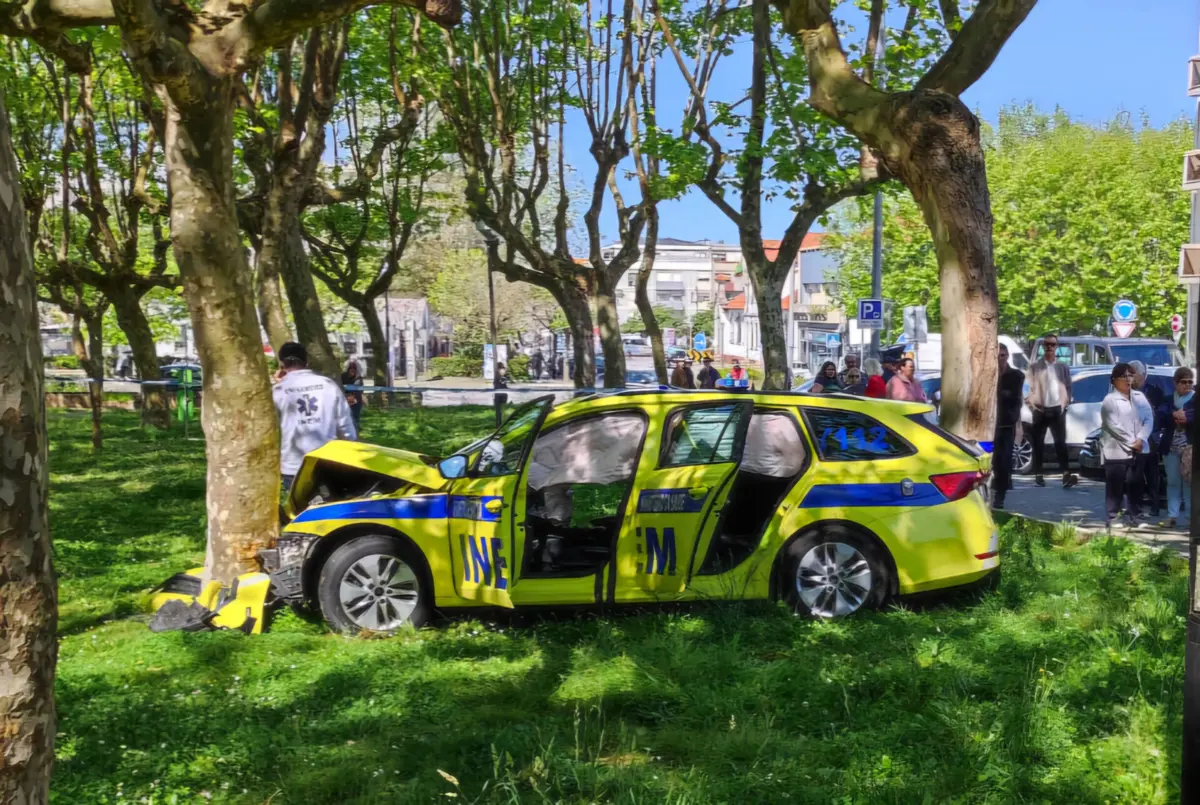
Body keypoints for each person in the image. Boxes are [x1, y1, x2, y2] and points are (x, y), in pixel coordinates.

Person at [273, 342, 357, 492]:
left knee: (301, 513)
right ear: (307, 362)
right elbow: (345, 427)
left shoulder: (278, 390)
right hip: (327, 462)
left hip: (293, 466)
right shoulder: (328, 385)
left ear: (282, 364)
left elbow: (271, 430)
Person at [1026, 332, 1078, 489]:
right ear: (1043, 347)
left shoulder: (1062, 367)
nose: (1050, 347)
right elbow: (1029, 389)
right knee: (1038, 444)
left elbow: (1068, 387)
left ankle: (1066, 474)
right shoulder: (1035, 367)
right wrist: (1032, 406)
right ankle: (1038, 474)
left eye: (1053, 345)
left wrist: (1065, 404)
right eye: (1047, 344)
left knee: (1060, 443)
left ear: (1056, 347)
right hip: (1040, 410)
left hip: (1057, 410)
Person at [1100, 363, 1143, 528]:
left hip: (1137, 447)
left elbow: (1146, 418)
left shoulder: (1138, 398)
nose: (1128, 379)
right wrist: (1133, 442)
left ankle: (1136, 517)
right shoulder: (1109, 400)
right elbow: (1114, 427)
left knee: (1135, 484)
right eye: (1123, 376)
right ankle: (1113, 517)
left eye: (1130, 375)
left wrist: (1141, 438)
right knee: (1115, 486)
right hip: (1116, 448)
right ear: (1114, 380)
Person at [1154, 366, 1195, 528]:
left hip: (1190, 447)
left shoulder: (1196, 399)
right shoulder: (1168, 399)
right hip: (1171, 446)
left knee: (1189, 482)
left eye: (1190, 382)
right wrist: (1172, 415)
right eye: (1183, 382)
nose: (1187, 385)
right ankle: (1172, 516)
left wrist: (1187, 417)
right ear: (1175, 383)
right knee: (1172, 481)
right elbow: (1159, 418)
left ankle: (1192, 518)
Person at [992, 342, 1025, 510]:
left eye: (1003, 355)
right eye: (997, 355)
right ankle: (993, 489)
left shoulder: (1016, 375)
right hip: (989, 426)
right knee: (992, 461)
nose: (1000, 359)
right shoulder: (988, 375)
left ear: (1008, 356)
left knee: (1004, 461)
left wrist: (1013, 419)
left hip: (1006, 424)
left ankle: (1000, 495)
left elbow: (1017, 399)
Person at [1130, 361, 1162, 516]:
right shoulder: (1128, 392)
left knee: (1152, 474)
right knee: (1136, 474)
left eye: (1132, 374)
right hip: (1136, 437)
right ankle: (1137, 506)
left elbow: (1158, 414)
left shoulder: (1153, 391)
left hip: (1151, 437)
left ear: (1140, 374)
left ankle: (1155, 506)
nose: (1129, 377)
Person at [340, 360, 365, 430]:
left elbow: (361, 388)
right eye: (351, 370)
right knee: (347, 414)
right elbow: (340, 386)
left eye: (354, 370)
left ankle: (356, 426)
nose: (352, 372)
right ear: (348, 370)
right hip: (346, 396)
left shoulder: (358, 377)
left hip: (356, 397)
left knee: (356, 414)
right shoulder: (343, 376)